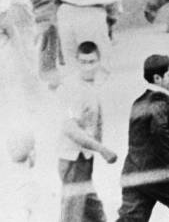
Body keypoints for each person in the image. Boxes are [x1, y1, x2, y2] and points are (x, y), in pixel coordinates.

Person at [117, 54, 169, 222]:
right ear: (157, 78)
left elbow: (143, 138)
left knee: (131, 219)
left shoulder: (139, 102)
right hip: (155, 173)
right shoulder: (162, 102)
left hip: (132, 172)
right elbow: (159, 131)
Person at [57, 41, 117, 222]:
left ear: (99, 62)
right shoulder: (75, 89)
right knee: (72, 214)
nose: (88, 67)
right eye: (83, 62)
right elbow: (70, 128)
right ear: (76, 62)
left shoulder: (90, 86)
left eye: (91, 62)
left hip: (83, 158)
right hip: (73, 159)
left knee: (93, 211)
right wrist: (101, 148)